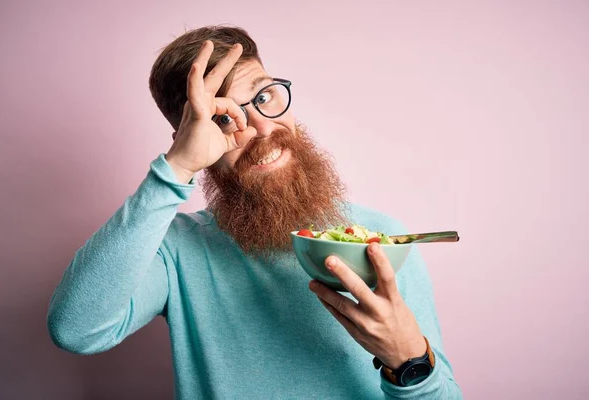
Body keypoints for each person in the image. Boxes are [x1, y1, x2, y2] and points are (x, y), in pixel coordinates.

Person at [47, 25, 462, 399]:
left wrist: (409, 360)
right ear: (192, 138)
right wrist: (176, 168)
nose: (263, 128)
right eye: (225, 117)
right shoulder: (175, 250)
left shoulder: (383, 240)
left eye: (264, 97)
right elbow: (77, 330)